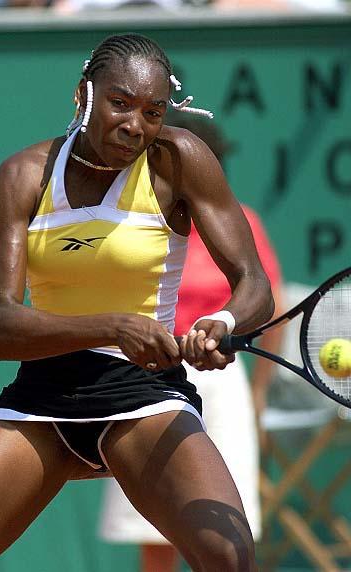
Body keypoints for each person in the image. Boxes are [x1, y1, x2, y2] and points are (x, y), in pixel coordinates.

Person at [0, 33, 274, 572]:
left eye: (153, 112)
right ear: (84, 95)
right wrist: (114, 327)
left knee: (228, 555)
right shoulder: (23, 175)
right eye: (119, 104)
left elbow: (254, 284)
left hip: (144, 395)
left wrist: (222, 320)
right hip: (43, 396)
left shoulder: (179, 159)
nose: (135, 125)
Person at [99, 118, 284, 572]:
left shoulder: (239, 222)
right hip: (142, 378)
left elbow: (267, 302)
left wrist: (258, 390)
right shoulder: (130, 223)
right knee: (152, 531)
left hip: (220, 378)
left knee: (226, 528)